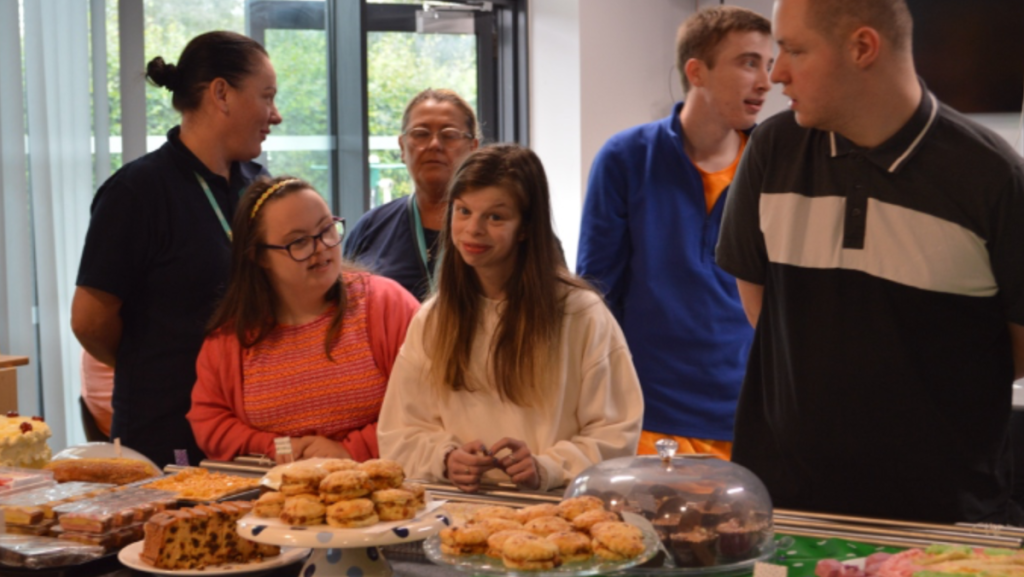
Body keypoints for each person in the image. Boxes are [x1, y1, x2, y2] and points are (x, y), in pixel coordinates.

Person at [716, 0, 1024, 523]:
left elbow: (1015, 352)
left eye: (793, 50)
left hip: (940, 520)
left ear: (862, 47)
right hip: (788, 507)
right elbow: (764, 309)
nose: (776, 73)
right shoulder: (772, 149)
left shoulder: (992, 177)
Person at [378, 144, 644, 493]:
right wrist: (445, 459)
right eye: (463, 211)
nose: (473, 229)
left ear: (525, 227)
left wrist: (545, 467)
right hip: (457, 515)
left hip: (554, 518)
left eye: (495, 217)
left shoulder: (582, 314)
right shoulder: (433, 319)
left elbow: (615, 432)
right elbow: (400, 432)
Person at [71, 31, 282, 467]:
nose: (275, 115)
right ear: (221, 93)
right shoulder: (137, 192)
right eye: (266, 97)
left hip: (251, 425)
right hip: (167, 429)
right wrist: (152, 362)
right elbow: (90, 322)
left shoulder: (257, 186)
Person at [577, 6, 772, 461]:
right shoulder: (625, 157)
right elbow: (596, 293)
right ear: (696, 71)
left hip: (746, 415)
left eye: (768, 62)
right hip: (644, 415)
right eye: (748, 62)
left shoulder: (775, 164)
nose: (766, 80)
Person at [188, 177, 419, 463]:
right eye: (298, 242)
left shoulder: (385, 304)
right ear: (260, 257)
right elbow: (210, 423)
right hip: (277, 497)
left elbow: (426, 406)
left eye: (326, 230)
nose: (321, 248)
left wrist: (351, 449)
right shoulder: (231, 337)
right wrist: (280, 448)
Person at [343, 89, 480, 301]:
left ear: (473, 148)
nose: (434, 144)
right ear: (402, 147)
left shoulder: (499, 227)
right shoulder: (371, 228)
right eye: (421, 133)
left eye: (450, 134)